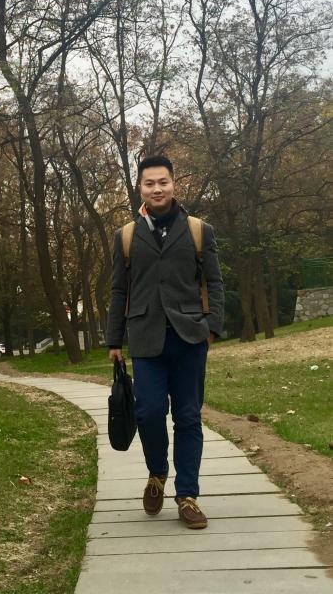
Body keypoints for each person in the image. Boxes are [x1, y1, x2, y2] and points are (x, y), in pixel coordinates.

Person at [106, 155, 224, 529]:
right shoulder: (125, 236)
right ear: (139, 188)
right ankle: (157, 472)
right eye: (149, 183)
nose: (157, 189)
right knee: (149, 412)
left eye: (163, 182)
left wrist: (211, 327)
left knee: (188, 417)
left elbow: (215, 281)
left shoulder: (199, 230)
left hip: (190, 337)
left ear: (174, 184)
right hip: (145, 338)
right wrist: (113, 340)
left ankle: (187, 496)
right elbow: (118, 290)